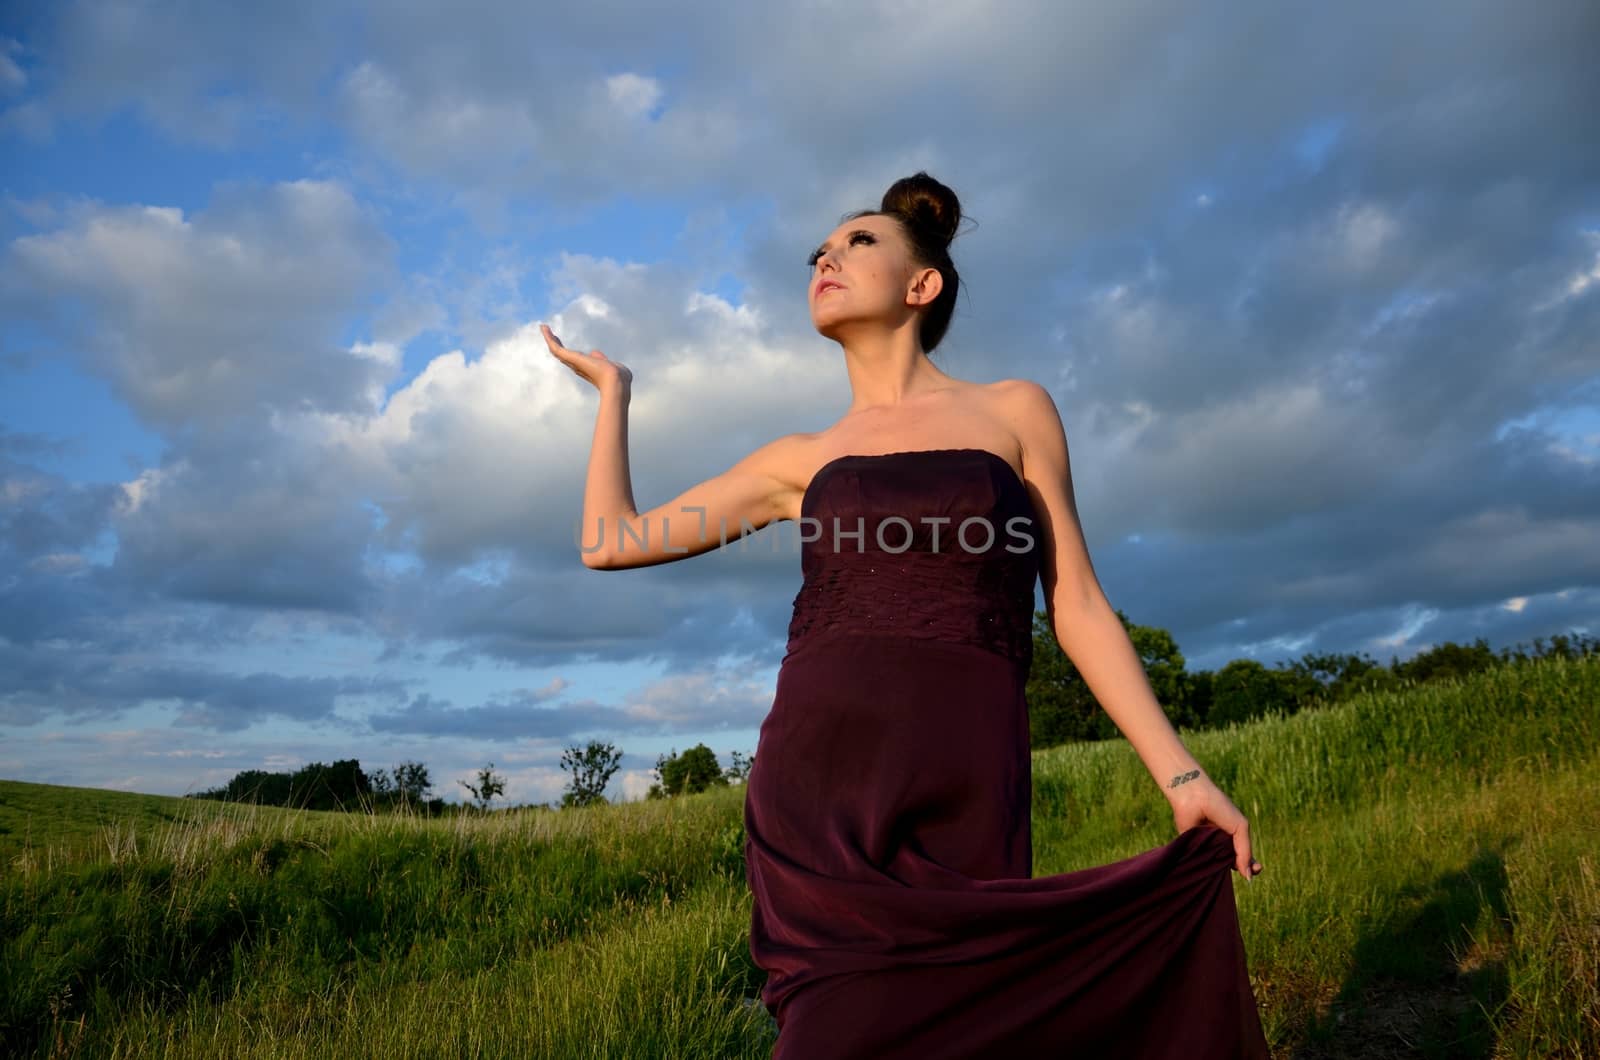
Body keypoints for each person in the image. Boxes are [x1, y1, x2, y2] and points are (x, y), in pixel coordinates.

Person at [544, 172, 1270, 1058]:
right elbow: (610, 541)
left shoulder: (1014, 412)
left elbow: (1074, 603)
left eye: (858, 243)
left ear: (922, 286)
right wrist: (614, 393)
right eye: (820, 250)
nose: (826, 258)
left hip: (964, 775)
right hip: (819, 792)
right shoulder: (799, 459)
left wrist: (1184, 779)